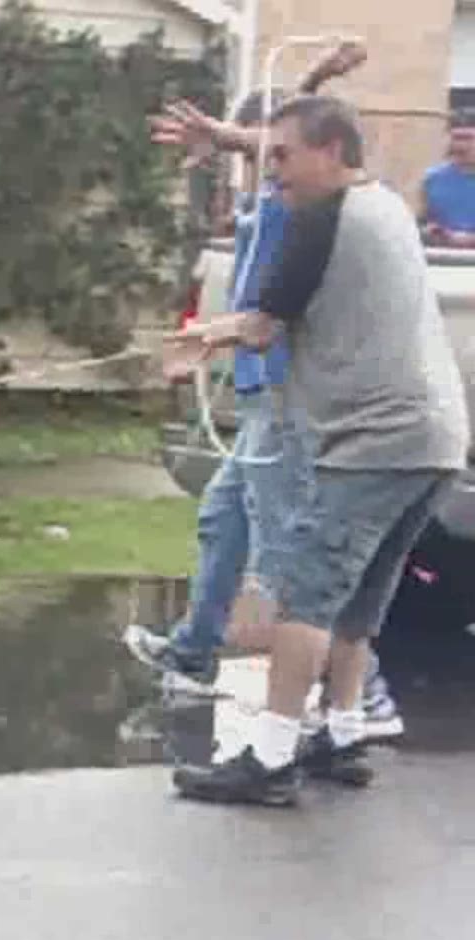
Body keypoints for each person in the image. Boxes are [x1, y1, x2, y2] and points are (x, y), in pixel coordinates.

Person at [166, 96, 469, 807]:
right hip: (436, 441)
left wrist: (201, 337)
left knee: (305, 594)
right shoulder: (385, 202)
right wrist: (229, 137)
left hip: (376, 444)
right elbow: (287, 148)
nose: (275, 175)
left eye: (283, 158)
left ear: (331, 151)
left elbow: (263, 327)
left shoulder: (320, 220)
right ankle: (339, 733)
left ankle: (269, 759)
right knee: (359, 598)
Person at [127, 43, 403, 739]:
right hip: (256, 392)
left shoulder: (301, 208)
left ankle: (363, 694)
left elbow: (284, 131)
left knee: (291, 554)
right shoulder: (262, 204)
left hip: (284, 391)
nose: (266, 162)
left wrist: (313, 84)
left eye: (271, 152)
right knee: (224, 519)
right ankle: (194, 649)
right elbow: (279, 135)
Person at [421, 108, 475, 248]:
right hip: (443, 260)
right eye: (456, 138)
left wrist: (468, 239)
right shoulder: (432, 179)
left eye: (468, 138)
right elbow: (423, 221)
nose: (461, 146)